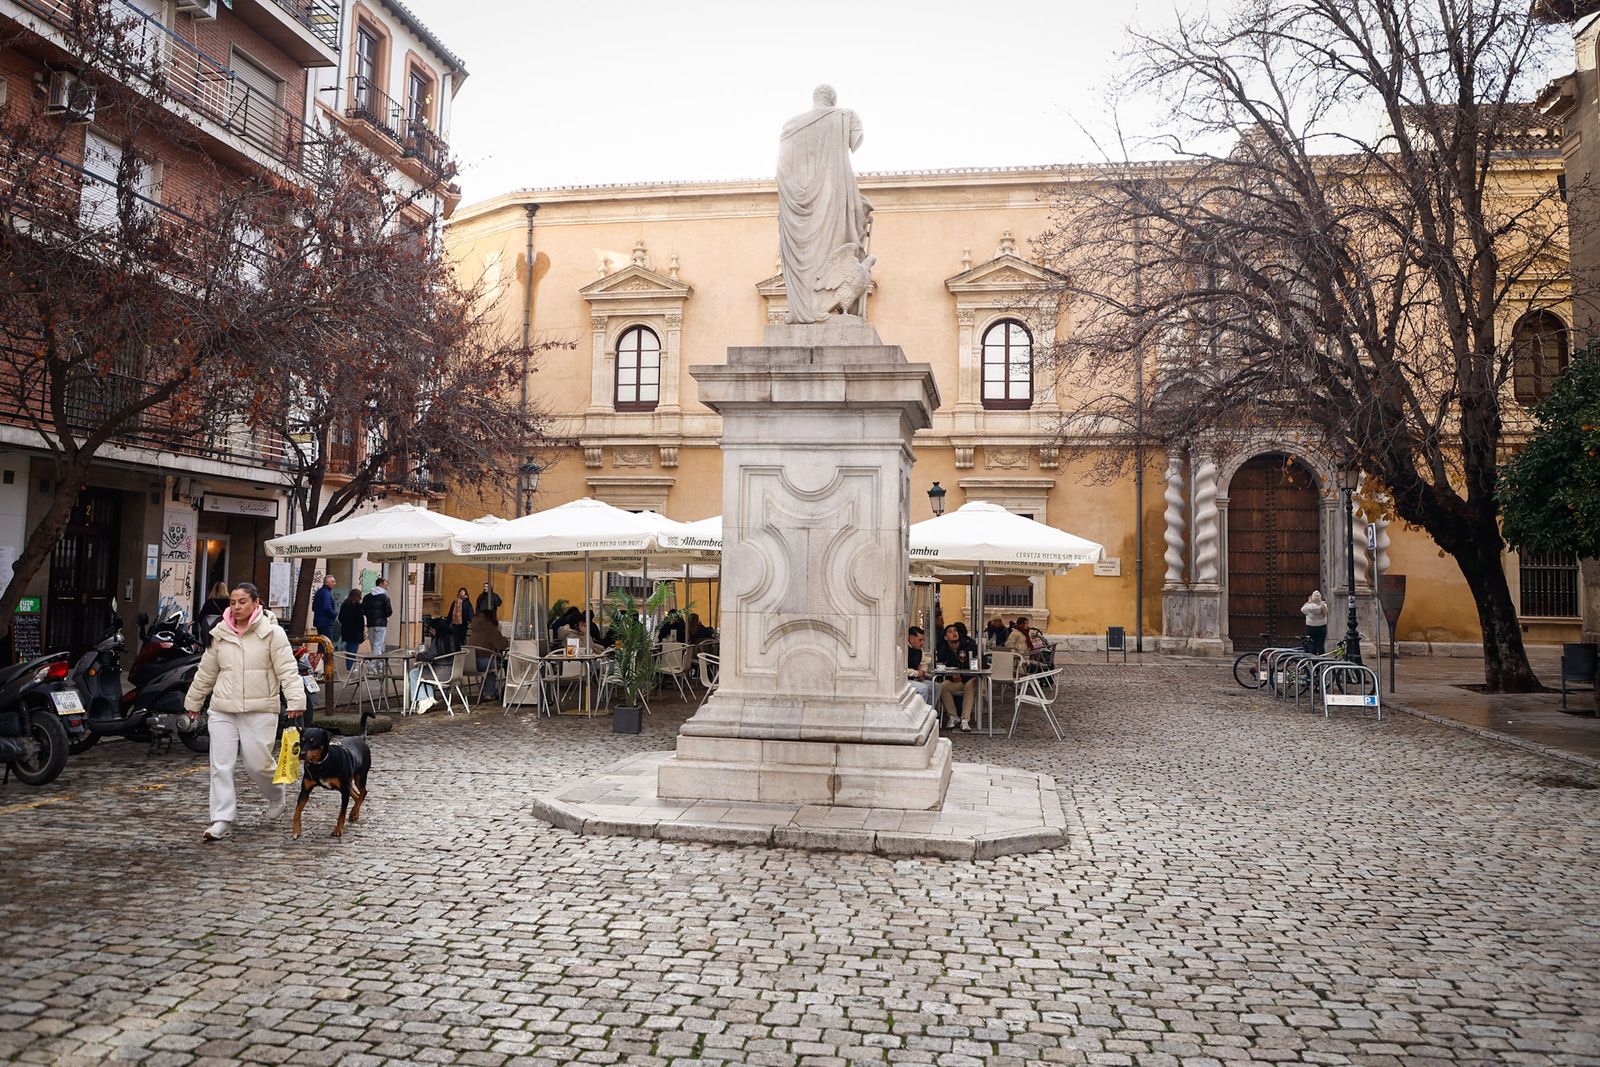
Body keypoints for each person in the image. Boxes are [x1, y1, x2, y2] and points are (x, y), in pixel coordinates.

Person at [185, 582, 304, 842]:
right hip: (222, 709)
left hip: (260, 709)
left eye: (242, 602)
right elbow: (206, 672)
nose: (237, 607)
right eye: (233, 603)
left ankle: (276, 795)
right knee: (221, 766)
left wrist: (296, 700)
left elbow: (287, 669)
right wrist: (193, 703)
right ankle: (222, 819)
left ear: (256, 603)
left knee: (256, 765)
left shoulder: (272, 633)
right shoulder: (219, 633)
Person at [936, 624, 980, 732]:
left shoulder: (970, 646)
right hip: (959, 682)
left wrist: (962, 676)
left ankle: (965, 719)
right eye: (950, 631)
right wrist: (952, 676)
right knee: (942, 686)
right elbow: (941, 666)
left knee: (969, 684)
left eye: (955, 630)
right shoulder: (944, 650)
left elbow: (981, 663)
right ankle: (953, 716)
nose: (954, 633)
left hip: (974, 680)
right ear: (946, 638)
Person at [906, 626, 938, 708]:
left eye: (923, 640)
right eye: (920, 640)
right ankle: (920, 714)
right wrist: (917, 673)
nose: (922, 643)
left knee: (936, 686)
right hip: (904, 681)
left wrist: (923, 671)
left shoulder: (919, 650)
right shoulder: (904, 649)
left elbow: (923, 663)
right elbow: (902, 670)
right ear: (911, 639)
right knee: (923, 688)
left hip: (914, 678)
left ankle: (929, 709)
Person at [337, 589, 366, 672]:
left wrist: (346, 625)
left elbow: (340, 618)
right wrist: (362, 630)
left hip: (346, 630)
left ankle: (349, 666)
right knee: (353, 649)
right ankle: (350, 667)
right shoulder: (357, 606)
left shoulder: (345, 604)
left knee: (349, 648)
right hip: (355, 631)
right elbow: (360, 620)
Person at [363, 577, 393, 656]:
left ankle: (378, 664)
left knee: (373, 645)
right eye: (386, 585)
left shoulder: (367, 597)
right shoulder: (385, 597)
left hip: (370, 623)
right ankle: (374, 665)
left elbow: (363, 610)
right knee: (378, 645)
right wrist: (384, 615)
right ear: (380, 584)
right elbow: (389, 612)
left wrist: (369, 615)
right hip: (381, 623)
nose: (386, 588)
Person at [197, 581, 230, 648]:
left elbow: (200, 618)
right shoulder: (229, 603)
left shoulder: (209, 602)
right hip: (225, 631)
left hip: (210, 632)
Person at [312, 574, 338, 643]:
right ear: (327, 583)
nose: (335, 583)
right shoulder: (326, 593)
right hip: (326, 623)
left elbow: (314, 607)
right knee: (326, 644)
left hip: (319, 622)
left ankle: (320, 654)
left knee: (321, 643)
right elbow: (327, 608)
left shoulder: (319, 592)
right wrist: (334, 614)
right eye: (333, 582)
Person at [1301, 590, 1329, 654]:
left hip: (1311, 628)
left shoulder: (1308, 606)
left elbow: (1302, 610)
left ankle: (1314, 662)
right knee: (1321, 645)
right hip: (1322, 627)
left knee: (1313, 645)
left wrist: (1309, 602)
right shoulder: (1323, 606)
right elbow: (1326, 613)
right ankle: (1322, 660)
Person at [448, 586, 473, 651]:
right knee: (455, 638)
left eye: (463, 592)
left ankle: (461, 649)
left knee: (462, 638)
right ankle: (456, 650)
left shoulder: (467, 602)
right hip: (455, 623)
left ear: (466, 593)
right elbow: (451, 612)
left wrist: (471, 620)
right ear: (459, 593)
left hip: (463, 623)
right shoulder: (455, 601)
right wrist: (448, 621)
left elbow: (470, 612)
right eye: (461, 591)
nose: (462, 593)